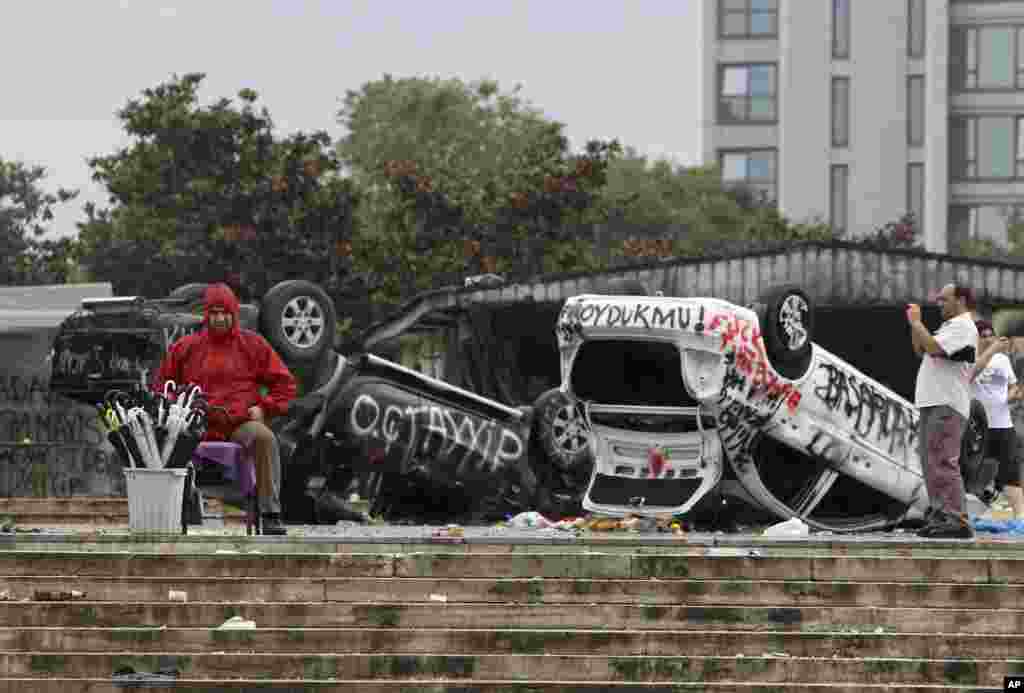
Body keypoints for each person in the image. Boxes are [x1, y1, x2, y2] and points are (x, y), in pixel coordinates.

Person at [153, 283, 297, 535]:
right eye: (214, 313)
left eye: (225, 313)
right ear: (206, 315)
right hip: (194, 424)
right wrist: (178, 408)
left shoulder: (253, 345)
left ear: (234, 314)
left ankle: (270, 513)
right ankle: (175, 508)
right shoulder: (185, 347)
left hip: (238, 423)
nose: (220, 318)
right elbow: (163, 388)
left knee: (264, 438)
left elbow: (285, 384)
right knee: (168, 439)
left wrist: (265, 408)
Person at [908, 283, 979, 539]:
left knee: (942, 461)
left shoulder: (963, 325)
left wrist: (917, 324)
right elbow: (921, 349)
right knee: (931, 462)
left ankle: (956, 518)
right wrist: (914, 325)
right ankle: (941, 515)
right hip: (934, 402)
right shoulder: (949, 327)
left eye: (944, 299)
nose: (940, 304)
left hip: (946, 404)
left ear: (960, 300)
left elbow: (935, 348)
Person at [971, 320, 1024, 520]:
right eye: (982, 335)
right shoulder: (968, 359)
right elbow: (968, 375)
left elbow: (1012, 385)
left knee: (1011, 469)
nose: (987, 338)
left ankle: (1020, 517)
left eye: (989, 335)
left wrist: (1012, 395)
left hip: (1003, 424)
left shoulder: (1002, 360)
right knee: (976, 471)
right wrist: (990, 350)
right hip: (978, 427)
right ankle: (981, 507)